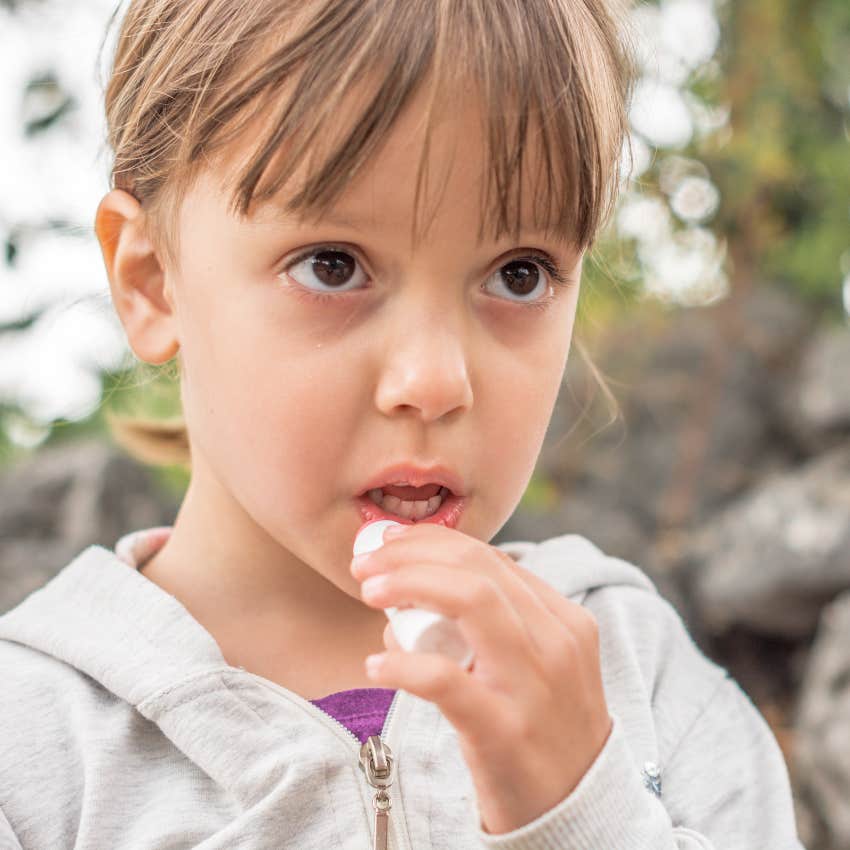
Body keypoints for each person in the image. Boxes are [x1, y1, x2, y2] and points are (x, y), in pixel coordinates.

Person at [0, 0, 806, 847]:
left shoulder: (641, 680)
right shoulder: (31, 746)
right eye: (332, 266)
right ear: (152, 281)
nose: (435, 382)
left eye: (519, 274)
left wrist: (584, 815)